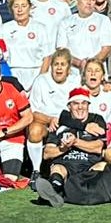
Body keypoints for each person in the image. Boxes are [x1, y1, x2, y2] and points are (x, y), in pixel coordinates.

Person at [32, 86, 108, 205]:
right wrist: (64, 148)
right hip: (66, 165)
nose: (80, 107)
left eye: (84, 103)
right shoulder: (59, 125)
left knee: (103, 166)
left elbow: (98, 147)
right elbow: (47, 153)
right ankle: (54, 190)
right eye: (75, 103)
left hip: (89, 165)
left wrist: (76, 142)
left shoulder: (96, 120)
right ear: (69, 107)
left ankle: (61, 192)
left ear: (88, 105)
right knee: (57, 168)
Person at [27, 48, 81, 179]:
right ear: (51, 66)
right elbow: (32, 111)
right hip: (45, 122)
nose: (59, 68)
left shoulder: (76, 81)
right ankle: (36, 170)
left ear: (68, 68)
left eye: (63, 64)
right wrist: (50, 119)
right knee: (34, 130)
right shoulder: (41, 81)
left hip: (68, 123)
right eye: (56, 64)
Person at [56, 0, 111, 74]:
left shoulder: (103, 20)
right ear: (77, 0)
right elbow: (62, 50)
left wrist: (90, 65)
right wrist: (79, 63)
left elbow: (106, 48)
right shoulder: (65, 22)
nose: (89, 2)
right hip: (72, 72)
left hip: (96, 72)